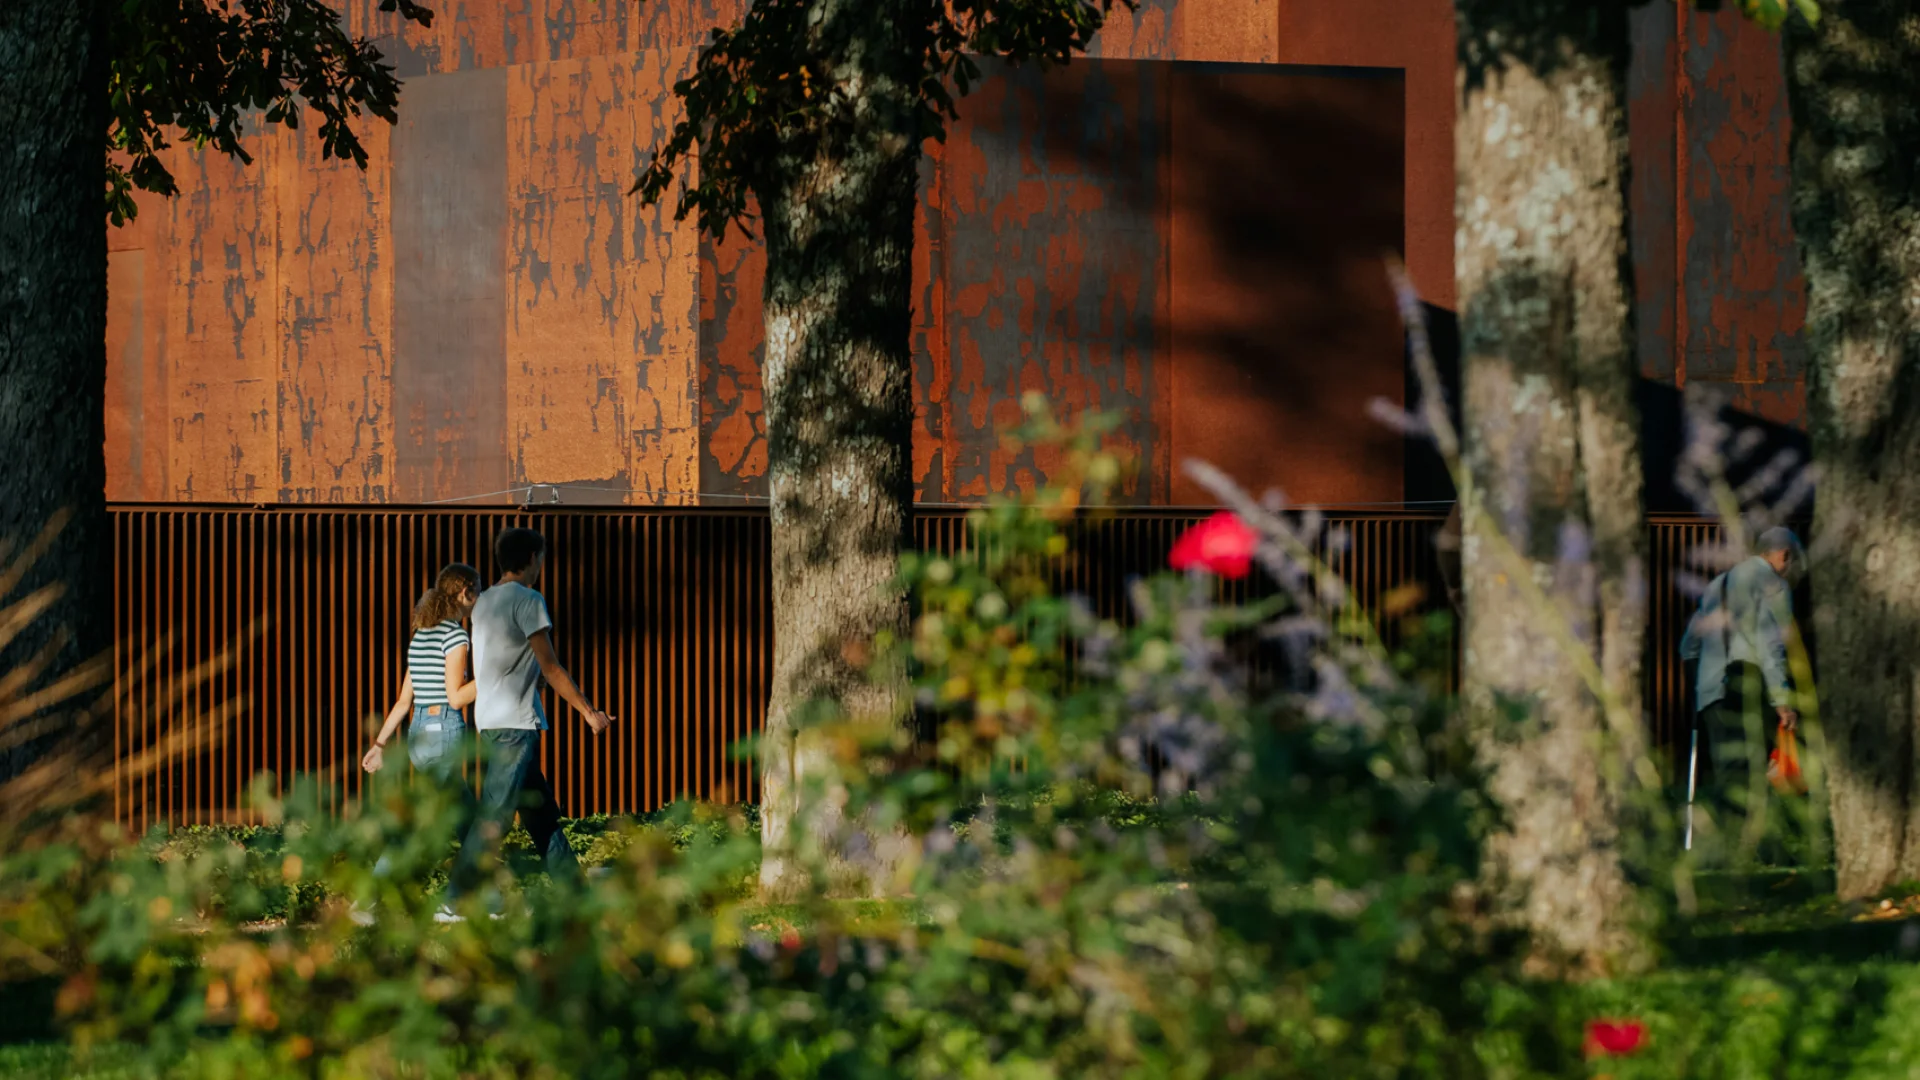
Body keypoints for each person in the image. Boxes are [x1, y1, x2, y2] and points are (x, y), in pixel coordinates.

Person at [443, 527, 612, 919]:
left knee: (541, 817)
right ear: (532, 558)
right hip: (516, 728)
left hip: (490, 723)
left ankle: (576, 896)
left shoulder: (483, 603)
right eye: (541, 557)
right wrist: (590, 713)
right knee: (495, 817)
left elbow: (499, 665)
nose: (542, 564)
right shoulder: (529, 600)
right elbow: (550, 667)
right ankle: (455, 900)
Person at [355, 562, 483, 921]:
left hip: (418, 733)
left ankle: (479, 900)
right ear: (465, 593)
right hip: (443, 729)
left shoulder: (421, 636)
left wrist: (379, 746)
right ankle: (371, 899)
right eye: (479, 593)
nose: (480, 601)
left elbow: (403, 701)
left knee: (468, 823)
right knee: (425, 822)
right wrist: (498, 675)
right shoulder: (456, 637)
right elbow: (456, 697)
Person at [1679, 525, 1804, 838]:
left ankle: (1727, 850)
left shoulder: (1717, 585)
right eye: (1791, 563)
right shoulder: (1771, 584)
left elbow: (1688, 646)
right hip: (1746, 684)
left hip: (1711, 691)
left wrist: (1700, 688)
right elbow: (1769, 644)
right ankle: (1750, 849)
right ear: (1783, 555)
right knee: (1753, 773)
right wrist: (1782, 700)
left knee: (1728, 775)